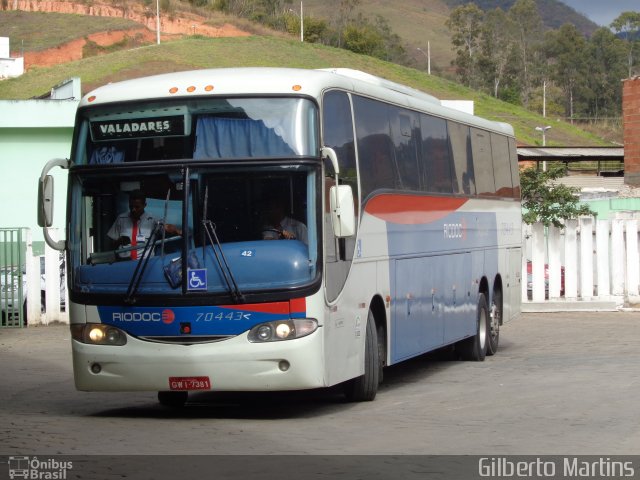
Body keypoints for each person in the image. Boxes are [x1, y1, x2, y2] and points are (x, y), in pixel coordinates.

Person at [107, 190, 181, 260]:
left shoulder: (153, 220)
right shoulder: (121, 218)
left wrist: (177, 231)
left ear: (144, 205)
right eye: (131, 206)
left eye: (137, 207)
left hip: (145, 263)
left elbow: (167, 227)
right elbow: (110, 245)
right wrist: (119, 241)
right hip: (123, 263)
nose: (133, 210)